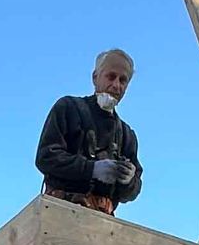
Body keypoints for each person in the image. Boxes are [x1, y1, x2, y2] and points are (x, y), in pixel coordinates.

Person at [35, 49, 144, 213]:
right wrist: (91, 169)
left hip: (104, 222)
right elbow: (46, 157)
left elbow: (132, 190)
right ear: (95, 77)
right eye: (111, 76)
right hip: (60, 212)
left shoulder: (127, 135)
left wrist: (128, 180)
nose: (116, 85)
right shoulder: (68, 108)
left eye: (123, 80)